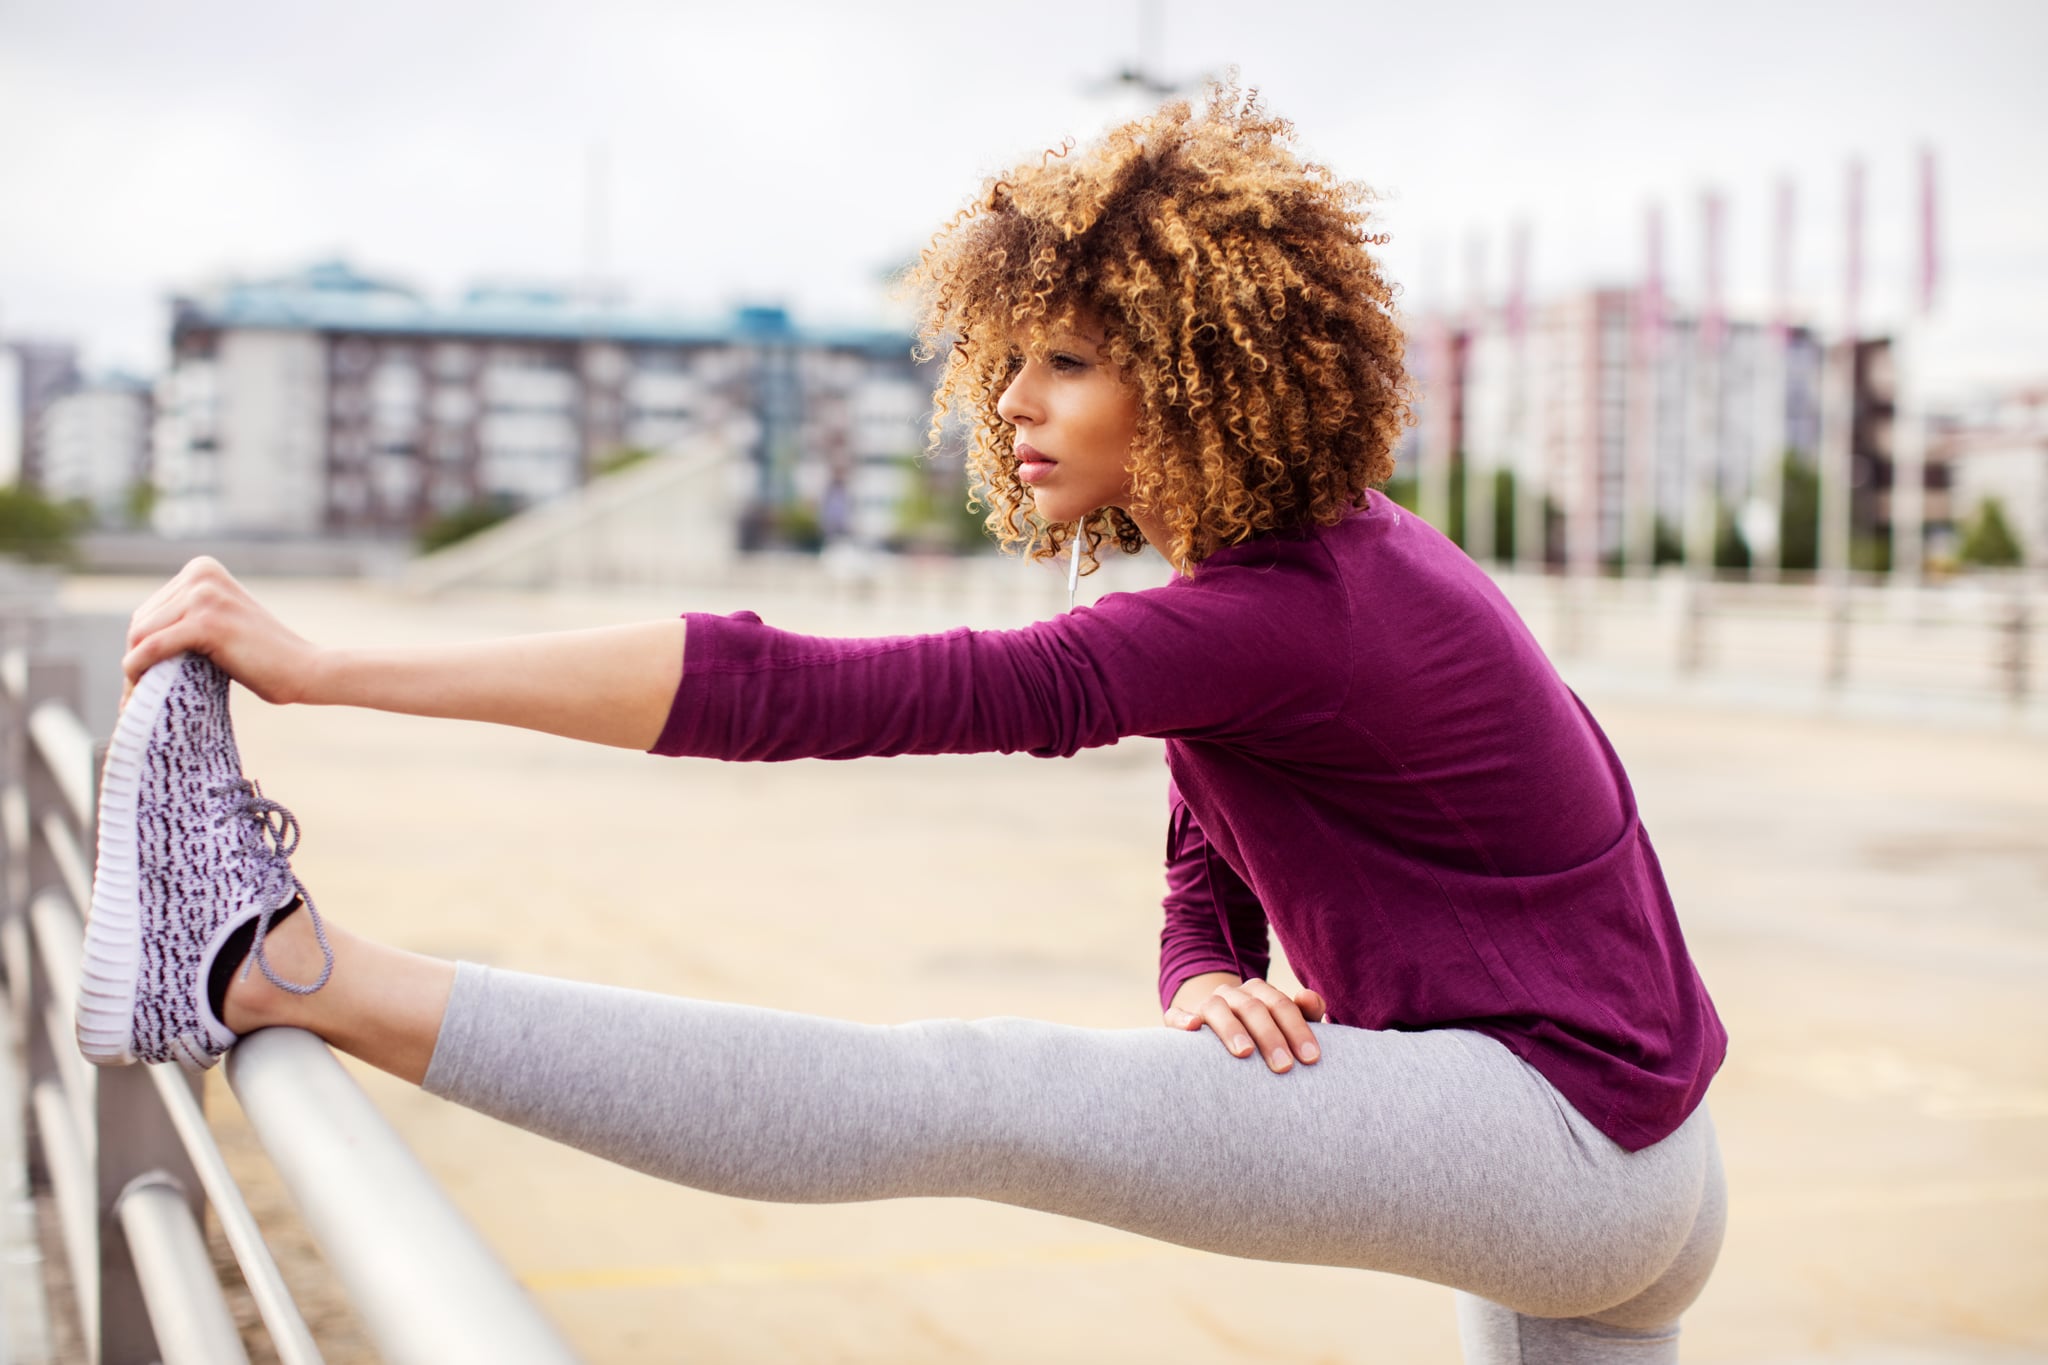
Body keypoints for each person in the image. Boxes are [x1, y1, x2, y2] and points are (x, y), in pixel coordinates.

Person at [82, 87, 1726, 1363]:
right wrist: (1201, 968)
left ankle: (290, 969)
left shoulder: (1285, 608)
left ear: (1204, 375)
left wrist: (329, 667)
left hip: (1560, 1138)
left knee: (964, 1089)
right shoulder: (1322, 564)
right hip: (1636, 1160)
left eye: (1067, 360)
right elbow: (1211, 836)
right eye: (1009, 357)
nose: (1010, 399)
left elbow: (809, 693)